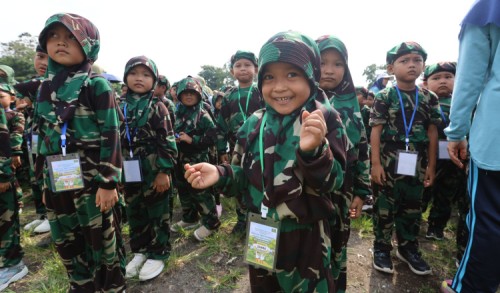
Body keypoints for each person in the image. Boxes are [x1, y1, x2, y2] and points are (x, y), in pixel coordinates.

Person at [184, 30, 348, 293]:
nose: (279, 87)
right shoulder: (253, 123)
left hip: (306, 237)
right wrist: (220, 174)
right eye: (269, 77)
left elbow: (335, 182)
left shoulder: (324, 118)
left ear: (311, 76)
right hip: (261, 229)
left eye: (292, 74)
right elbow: (242, 174)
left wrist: (314, 152)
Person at [35, 13, 125, 292]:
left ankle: (110, 287)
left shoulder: (96, 85)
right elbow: (43, 137)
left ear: (89, 45)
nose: (61, 42)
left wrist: (108, 183)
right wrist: (41, 182)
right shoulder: (45, 88)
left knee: (102, 241)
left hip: (93, 183)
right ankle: (81, 285)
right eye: (54, 36)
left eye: (71, 37)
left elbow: (112, 135)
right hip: (57, 180)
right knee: (66, 240)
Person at [441, 0, 500, 292]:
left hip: (495, 140)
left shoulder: (489, 8)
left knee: (488, 221)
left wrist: (456, 132)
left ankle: (472, 287)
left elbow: (470, 77)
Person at [370, 41, 441, 276]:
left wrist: (431, 165)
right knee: (384, 205)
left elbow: (432, 133)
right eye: (404, 60)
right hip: (388, 159)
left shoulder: (429, 98)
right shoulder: (384, 96)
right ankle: (381, 247)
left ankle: (408, 247)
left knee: (412, 205)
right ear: (391, 68)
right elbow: (376, 131)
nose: (412, 65)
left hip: (417, 160)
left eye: (417, 60)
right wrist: (376, 164)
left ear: (423, 65)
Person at [316, 34, 371, 293]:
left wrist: (361, 192)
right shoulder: (293, 100)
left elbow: (361, 151)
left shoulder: (351, 106)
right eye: (322, 61)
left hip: (341, 194)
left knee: (337, 243)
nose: (329, 69)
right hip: (305, 194)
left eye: (338, 64)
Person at [119, 56, 178, 281]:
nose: (139, 79)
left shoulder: (157, 106)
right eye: (134, 74)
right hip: (129, 166)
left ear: (154, 80)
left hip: (154, 167)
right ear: (126, 77)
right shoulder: (118, 104)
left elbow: (168, 141)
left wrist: (164, 171)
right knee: (134, 210)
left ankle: (158, 252)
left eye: (145, 75)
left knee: (157, 210)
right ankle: (140, 250)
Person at [216, 50, 264, 234]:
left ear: (256, 69)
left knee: (259, 181)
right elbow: (221, 126)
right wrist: (222, 151)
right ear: (231, 72)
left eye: (247, 65)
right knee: (239, 181)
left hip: (260, 147)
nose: (243, 69)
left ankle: (260, 219)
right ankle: (242, 219)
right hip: (237, 149)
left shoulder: (262, 91)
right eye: (238, 66)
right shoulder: (229, 96)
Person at [421, 62, 468, 243]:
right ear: (426, 83)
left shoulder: (463, 105)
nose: (443, 81)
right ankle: (413, 221)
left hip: (454, 159)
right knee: (422, 191)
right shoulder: (423, 102)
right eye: (436, 78)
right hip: (428, 157)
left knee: (446, 194)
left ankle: (436, 226)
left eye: (448, 77)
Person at [171, 76, 221, 241]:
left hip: (197, 161)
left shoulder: (203, 115)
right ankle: (190, 217)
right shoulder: (177, 112)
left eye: (193, 93)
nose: (189, 96)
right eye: (185, 93)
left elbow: (213, 137)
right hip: (180, 160)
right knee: (183, 189)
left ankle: (211, 222)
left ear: (199, 95)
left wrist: (192, 140)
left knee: (200, 192)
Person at [14, 45, 51, 235]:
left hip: (51, 140)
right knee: (35, 175)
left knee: (48, 176)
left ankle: (52, 217)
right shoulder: (33, 84)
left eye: (47, 57)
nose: (43, 62)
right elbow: (20, 98)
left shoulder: (56, 83)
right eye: (39, 56)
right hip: (33, 136)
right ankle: (42, 214)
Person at [0, 83, 28, 291]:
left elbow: (8, 140)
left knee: (6, 219)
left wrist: (4, 173)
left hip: (4, 171)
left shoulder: (12, 116)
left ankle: (12, 263)